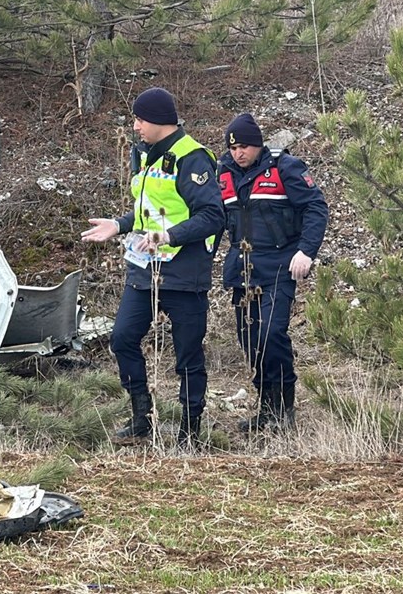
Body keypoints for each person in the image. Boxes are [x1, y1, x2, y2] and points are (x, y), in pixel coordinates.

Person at [81, 87, 223, 446]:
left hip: (184, 272)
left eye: (139, 119)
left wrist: (168, 235)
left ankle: (190, 433)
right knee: (122, 338)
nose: (135, 126)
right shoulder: (144, 154)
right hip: (145, 268)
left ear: (159, 121)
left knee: (187, 354)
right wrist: (119, 224)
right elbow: (148, 207)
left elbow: (212, 216)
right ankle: (141, 419)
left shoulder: (193, 158)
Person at [216, 113, 328, 433]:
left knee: (271, 334)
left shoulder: (284, 168)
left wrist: (306, 251)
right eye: (234, 147)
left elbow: (315, 208)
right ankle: (266, 409)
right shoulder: (224, 173)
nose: (239, 153)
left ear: (259, 144)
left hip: (279, 265)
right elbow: (214, 218)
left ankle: (284, 409)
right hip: (243, 269)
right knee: (251, 341)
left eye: (246, 146)